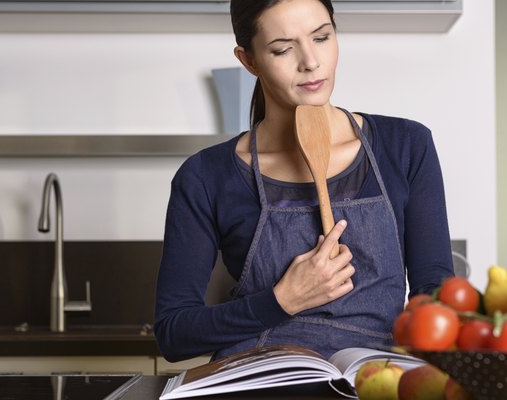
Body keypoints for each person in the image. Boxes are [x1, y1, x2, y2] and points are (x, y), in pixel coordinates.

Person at [154, 0, 454, 362]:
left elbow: (435, 298)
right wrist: (280, 301)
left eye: (322, 37)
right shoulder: (205, 176)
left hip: (373, 377)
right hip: (257, 380)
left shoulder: (406, 145)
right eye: (282, 49)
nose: (310, 61)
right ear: (249, 60)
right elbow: (173, 334)